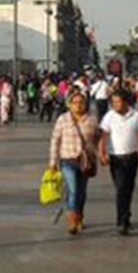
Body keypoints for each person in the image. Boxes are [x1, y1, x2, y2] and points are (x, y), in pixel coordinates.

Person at [98, 89, 138, 236]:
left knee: (128, 188)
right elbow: (103, 136)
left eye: (118, 102)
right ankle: (121, 222)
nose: (116, 105)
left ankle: (126, 215)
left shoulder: (136, 115)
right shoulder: (109, 117)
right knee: (121, 188)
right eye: (113, 102)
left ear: (126, 102)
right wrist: (102, 153)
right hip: (115, 157)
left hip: (132, 156)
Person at [48, 91, 100, 235]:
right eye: (75, 103)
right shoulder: (63, 119)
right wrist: (53, 161)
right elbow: (55, 140)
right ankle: (72, 221)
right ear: (70, 105)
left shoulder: (92, 120)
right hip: (67, 160)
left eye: (81, 103)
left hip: (85, 162)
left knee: (82, 192)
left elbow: (98, 139)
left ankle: (79, 215)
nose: (78, 106)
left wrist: (100, 154)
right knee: (73, 190)